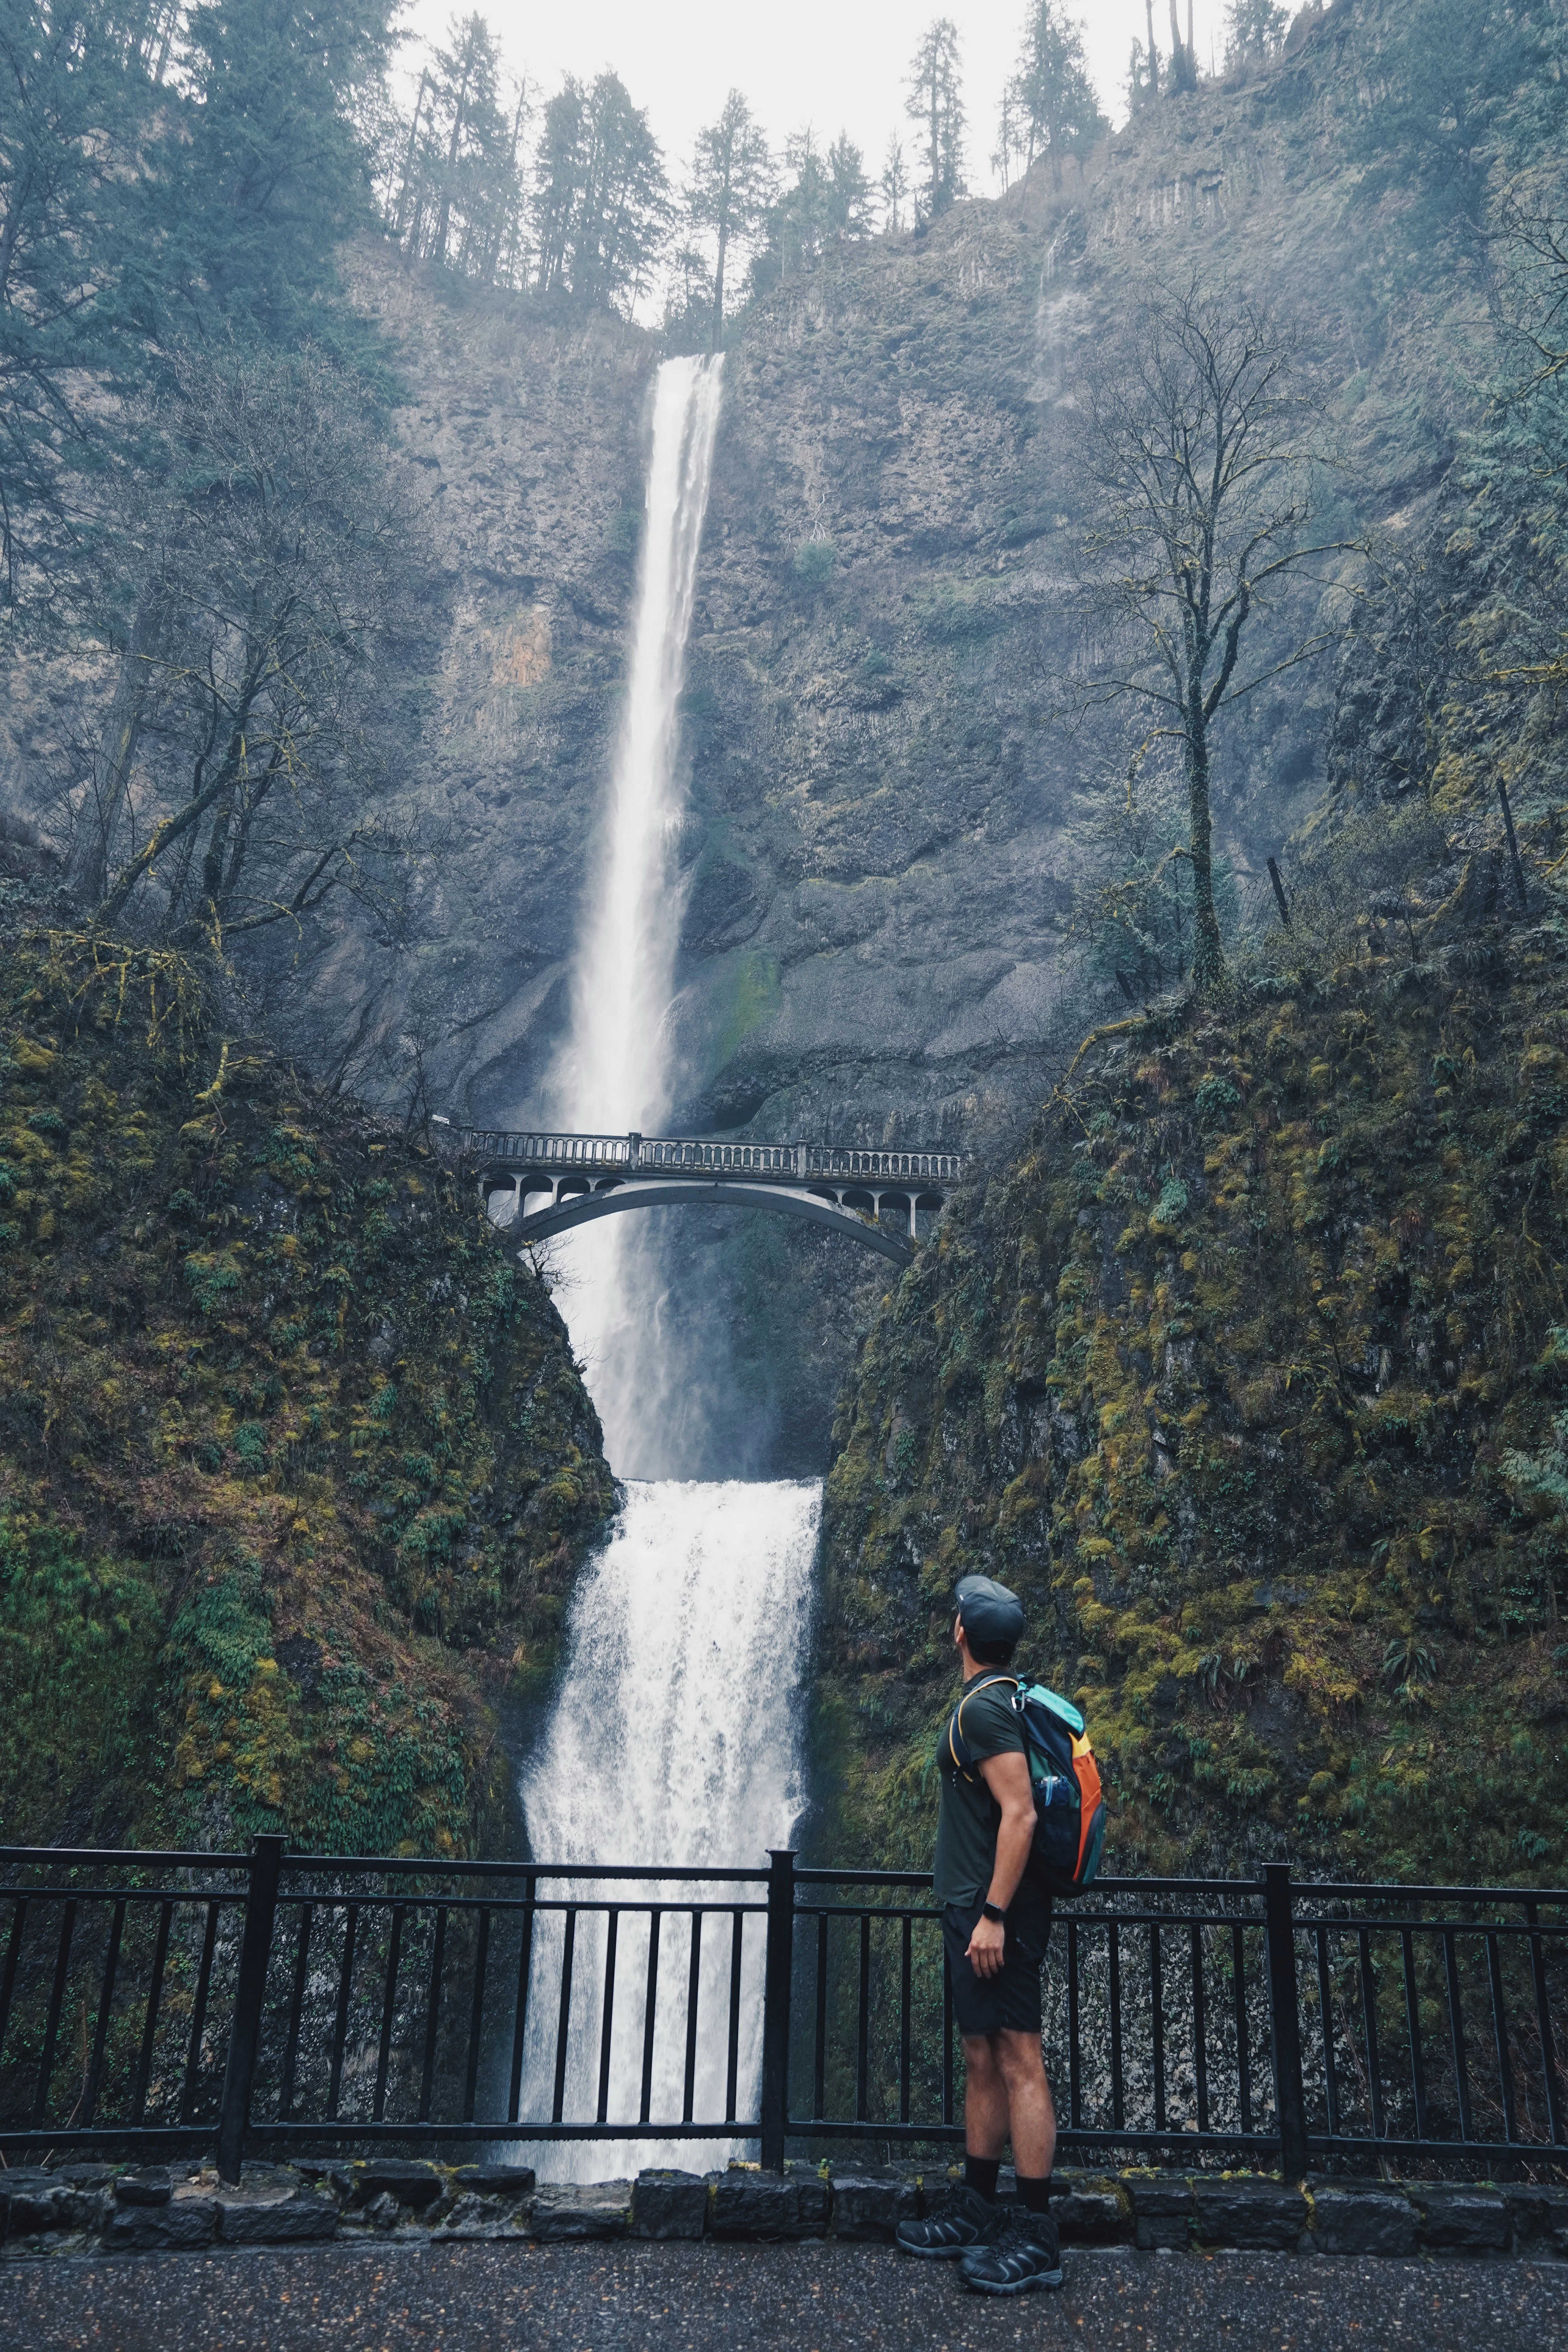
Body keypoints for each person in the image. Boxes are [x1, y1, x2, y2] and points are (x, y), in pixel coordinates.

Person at [895, 1572, 1063, 2295]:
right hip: (973, 1909)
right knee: (982, 2056)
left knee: (1020, 2057)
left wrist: (994, 1914)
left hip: (997, 1915)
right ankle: (979, 2206)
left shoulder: (987, 1709)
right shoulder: (993, 1699)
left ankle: (1037, 2232)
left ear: (961, 1631)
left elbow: (1020, 1814)